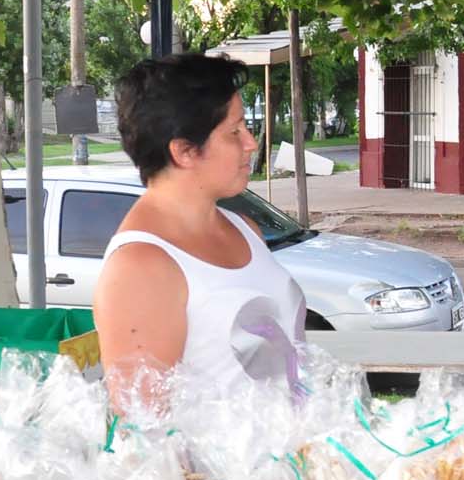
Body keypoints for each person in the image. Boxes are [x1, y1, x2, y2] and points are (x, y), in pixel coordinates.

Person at [94, 55, 307, 402]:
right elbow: (143, 431)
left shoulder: (245, 229)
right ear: (184, 152)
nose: (251, 143)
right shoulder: (140, 267)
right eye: (234, 132)